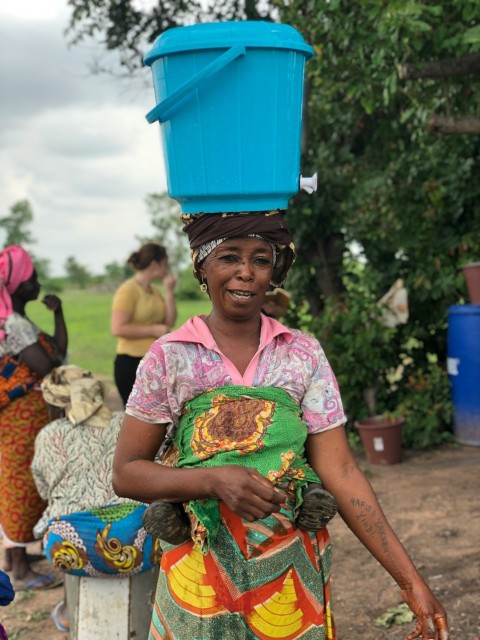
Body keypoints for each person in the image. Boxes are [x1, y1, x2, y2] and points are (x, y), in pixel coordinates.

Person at [112, 210, 448, 640]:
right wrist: (213, 480)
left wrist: (409, 582)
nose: (246, 273)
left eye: (261, 260)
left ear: (275, 271)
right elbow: (127, 471)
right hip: (200, 573)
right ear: (201, 264)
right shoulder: (170, 357)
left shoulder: (301, 354)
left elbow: (341, 471)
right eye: (229, 257)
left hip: (289, 573)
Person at [31, 364, 162, 632]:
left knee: (57, 521)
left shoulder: (49, 435)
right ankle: (154, 612)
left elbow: (44, 491)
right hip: (139, 543)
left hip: (67, 548)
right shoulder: (131, 424)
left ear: (57, 405)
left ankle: (69, 610)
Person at [0, 245, 67, 591]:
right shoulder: (11, 322)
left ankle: (19, 555)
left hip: (24, 417)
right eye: (31, 278)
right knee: (19, 482)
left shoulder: (18, 319)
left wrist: (59, 314)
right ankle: (17, 568)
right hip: (19, 417)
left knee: (23, 479)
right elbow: (47, 364)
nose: (37, 283)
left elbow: (56, 351)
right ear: (15, 285)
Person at [111, 242, 177, 406]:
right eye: (165, 265)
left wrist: (168, 291)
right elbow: (117, 327)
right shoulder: (128, 290)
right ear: (155, 264)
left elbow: (169, 322)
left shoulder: (154, 290)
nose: (167, 270)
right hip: (130, 362)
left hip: (152, 362)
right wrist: (153, 330)